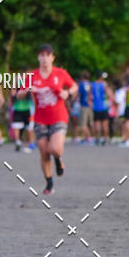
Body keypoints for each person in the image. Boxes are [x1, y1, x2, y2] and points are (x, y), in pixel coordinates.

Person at [18, 44, 77, 194]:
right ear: (38, 57)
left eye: (47, 55)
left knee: (55, 149)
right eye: (42, 55)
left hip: (59, 117)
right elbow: (18, 95)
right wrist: (26, 90)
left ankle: (58, 159)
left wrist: (67, 92)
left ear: (53, 57)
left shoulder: (60, 73)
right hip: (40, 119)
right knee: (44, 154)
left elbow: (74, 86)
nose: (44, 58)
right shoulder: (31, 76)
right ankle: (49, 183)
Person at [91, 71, 111, 145]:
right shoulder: (104, 84)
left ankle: (97, 139)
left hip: (96, 106)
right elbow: (108, 94)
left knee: (97, 124)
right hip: (103, 106)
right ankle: (105, 139)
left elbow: (90, 96)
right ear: (100, 77)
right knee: (105, 124)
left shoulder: (92, 85)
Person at [77, 70, 93, 143]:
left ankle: (88, 138)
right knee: (88, 123)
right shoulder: (90, 84)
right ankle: (85, 137)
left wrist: (74, 100)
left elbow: (79, 93)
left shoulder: (81, 84)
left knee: (83, 124)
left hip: (83, 105)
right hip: (90, 105)